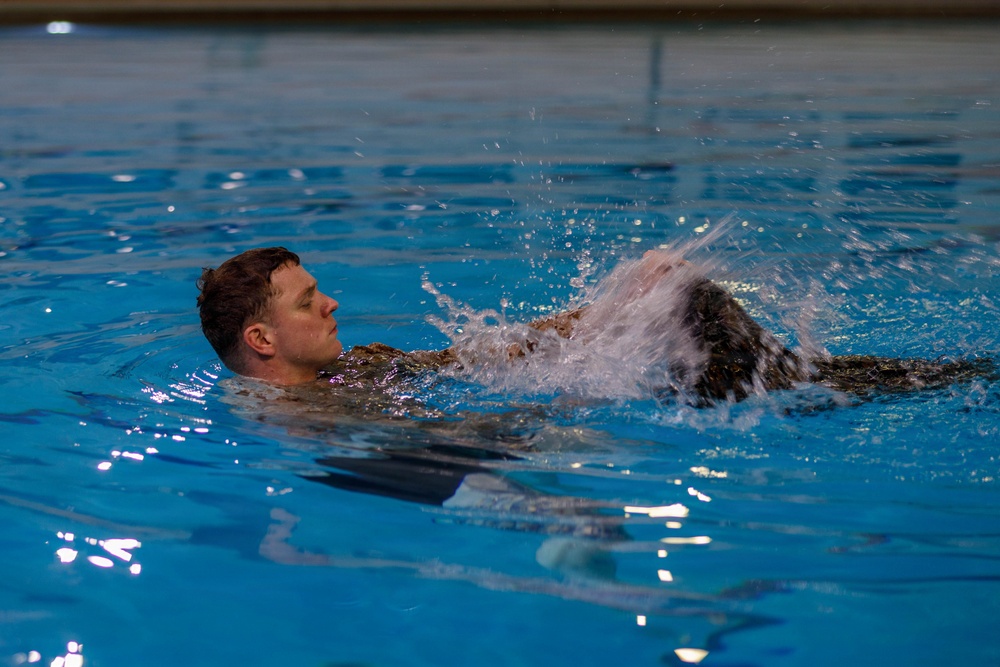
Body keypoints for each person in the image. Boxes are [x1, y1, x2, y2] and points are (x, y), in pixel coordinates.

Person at [197, 246, 993, 404]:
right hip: (594, 421)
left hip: (611, 399)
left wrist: (614, 307)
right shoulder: (306, 417)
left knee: (681, 299)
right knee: (764, 366)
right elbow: (455, 455)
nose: (331, 303)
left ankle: (935, 378)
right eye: (308, 301)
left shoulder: (357, 365)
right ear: (261, 340)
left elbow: (480, 352)